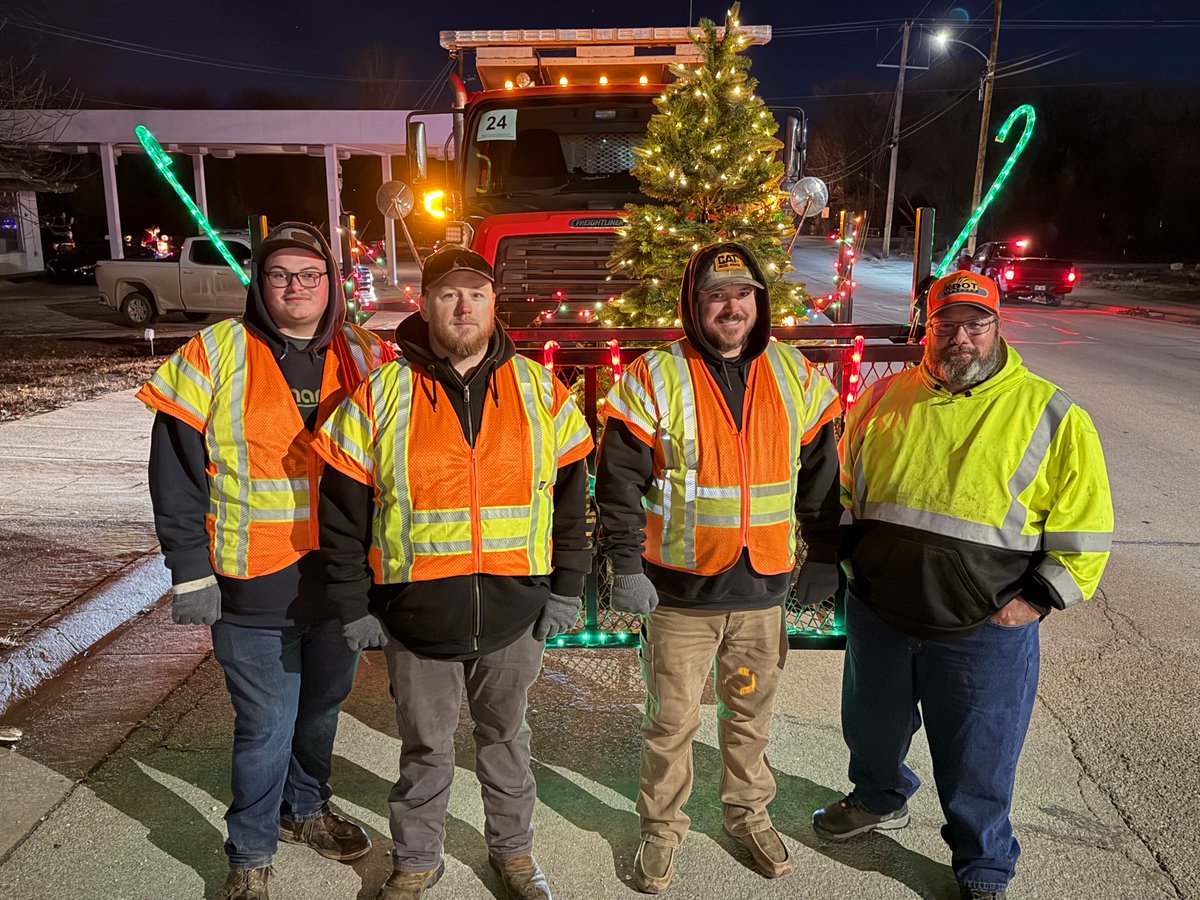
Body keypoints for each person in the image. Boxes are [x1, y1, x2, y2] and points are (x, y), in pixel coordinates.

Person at [812, 270, 1114, 900]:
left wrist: (1035, 600)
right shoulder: (881, 399)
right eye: (946, 325)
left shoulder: (1052, 414)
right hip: (882, 610)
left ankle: (983, 862)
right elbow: (845, 494)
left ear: (997, 327)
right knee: (871, 727)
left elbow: (1085, 530)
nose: (960, 338)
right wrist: (851, 568)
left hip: (984, 625)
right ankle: (877, 798)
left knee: (979, 753)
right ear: (926, 329)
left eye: (975, 324)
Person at [312, 245, 594, 900]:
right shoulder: (381, 394)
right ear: (425, 303)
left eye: (477, 294)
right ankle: (417, 860)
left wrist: (567, 588)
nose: (463, 307)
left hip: (515, 613)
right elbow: (342, 513)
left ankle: (514, 856)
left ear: (494, 304)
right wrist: (353, 605)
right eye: (448, 294)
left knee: (507, 742)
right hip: (416, 619)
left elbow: (573, 502)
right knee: (424, 749)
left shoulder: (540, 392)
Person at [137, 222, 394, 900]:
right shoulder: (213, 353)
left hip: (341, 585)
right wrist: (189, 571)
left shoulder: (368, 355)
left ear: (331, 283)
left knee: (321, 711)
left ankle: (305, 808)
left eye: (310, 274)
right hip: (252, 586)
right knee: (265, 726)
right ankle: (250, 853)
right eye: (280, 275)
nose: (296, 287)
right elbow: (175, 473)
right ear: (260, 283)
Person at [595, 242, 844, 894]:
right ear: (695, 303)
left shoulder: (795, 374)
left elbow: (822, 476)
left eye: (742, 295)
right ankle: (660, 830)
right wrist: (625, 563)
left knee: (749, 716)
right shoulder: (655, 375)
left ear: (758, 302)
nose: (730, 307)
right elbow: (618, 482)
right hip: (679, 595)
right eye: (715, 295)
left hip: (760, 593)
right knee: (670, 723)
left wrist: (825, 554)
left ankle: (748, 815)